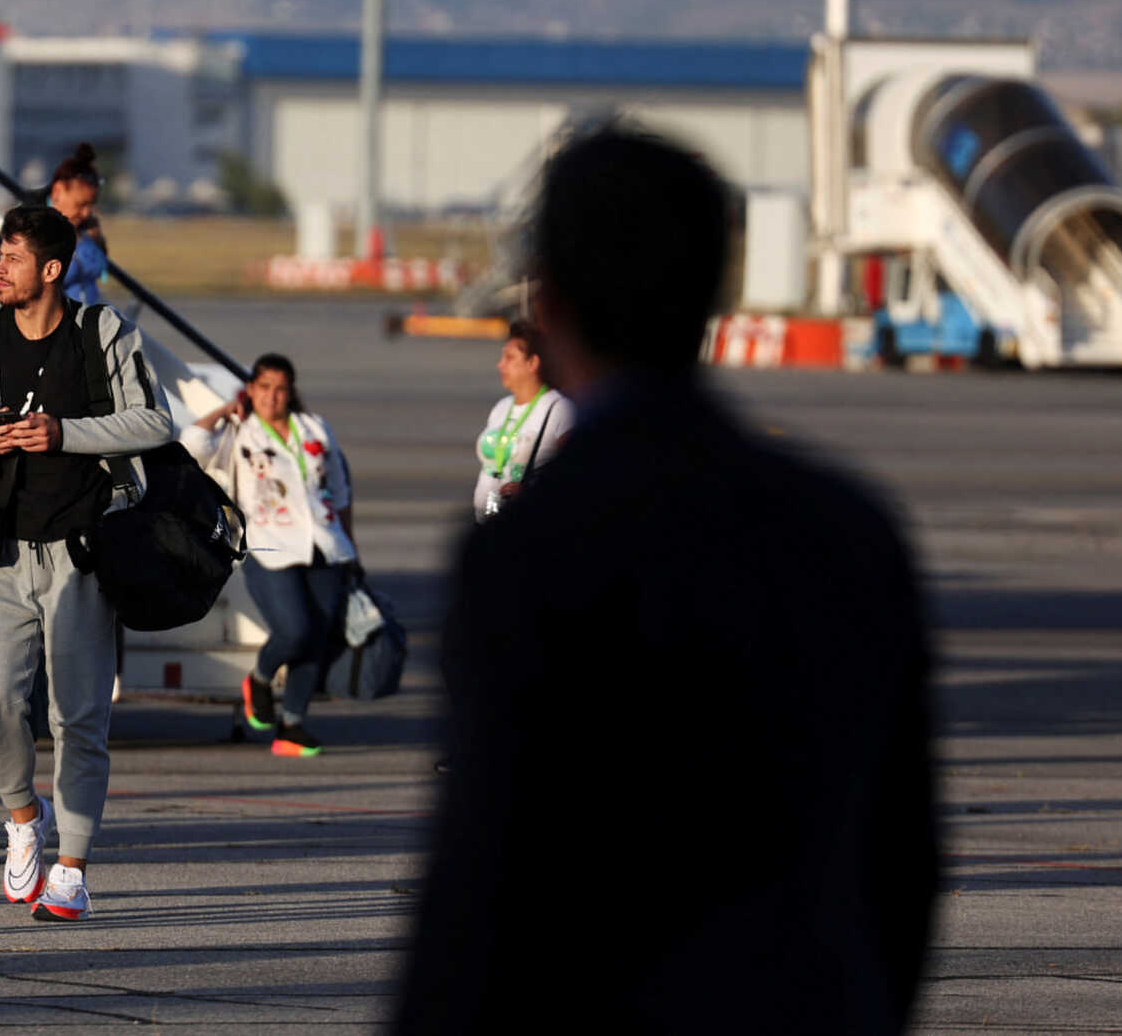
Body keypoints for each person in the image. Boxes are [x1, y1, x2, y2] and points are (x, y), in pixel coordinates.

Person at [394, 126, 938, 1034]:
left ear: (550, 302)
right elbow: (903, 857)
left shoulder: (532, 548)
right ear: (716, 296)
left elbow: (488, 870)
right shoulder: (851, 528)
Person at [0, 204, 176, 923]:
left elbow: (154, 421)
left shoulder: (102, 334)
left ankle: (70, 867)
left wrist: (61, 431)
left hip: (82, 553)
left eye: (10, 258)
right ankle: (21, 814)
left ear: (50, 268)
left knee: (78, 716)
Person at [182, 352, 354, 757]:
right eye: (264, 388)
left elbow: (340, 490)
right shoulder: (239, 433)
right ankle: (259, 680)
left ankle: (292, 726)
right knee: (294, 630)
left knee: (316, 637)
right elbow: (190, 446)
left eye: (280, 389)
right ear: (251, 390)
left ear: (291, 392)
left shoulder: (314, 428)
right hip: (270, 547)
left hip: (326, 545)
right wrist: (226, 410)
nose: (272, 397)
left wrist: (351, 547)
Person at [0, 145, 109, 308]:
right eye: (81, 205)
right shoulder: (25, 222)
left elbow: (99, 271)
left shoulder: (85, 224)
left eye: (91, 205)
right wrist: (24, 320)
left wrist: (98, 243)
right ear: (57, 192)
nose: (87, 213)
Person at [470, 318, 573, 522]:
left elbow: (578, 475)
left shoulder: (559, 409)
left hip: (529, 531)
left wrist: (535, 493)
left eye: (509, 357)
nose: (500, 364)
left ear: (532, 363)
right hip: (489, 526)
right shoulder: (502, 407)